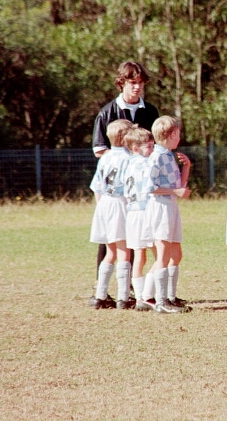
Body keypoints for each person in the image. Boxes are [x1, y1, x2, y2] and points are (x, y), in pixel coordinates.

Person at [90, 61, 159, 304]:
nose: (137, 87)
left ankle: (138, 290)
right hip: (116, 194)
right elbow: (100, 150)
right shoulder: (107, 112)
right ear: (121, 83)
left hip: (139, 192)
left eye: (140, 83)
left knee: (137, 241)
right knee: (110, 243)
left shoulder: (150, 111)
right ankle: (102, 290)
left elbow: (156, 146)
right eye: (132, 83)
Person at [144, 115, 192, 314]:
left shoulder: (168, 155)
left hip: (171, 207)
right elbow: (150, 187)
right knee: (163, 255)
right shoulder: (157, 156)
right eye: (178, 133)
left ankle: (168, 297)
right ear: (171, 134)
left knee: (176, 254)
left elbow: (179, 186)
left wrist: (186, 167)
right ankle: (160, 301)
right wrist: (175, 192)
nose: (179, 137)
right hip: (161, 208)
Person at [89, 119, 134, 309]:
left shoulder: (105, 157)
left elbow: (97, 187)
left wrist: (102, 208)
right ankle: (124, 297)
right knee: (124, 250)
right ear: (124, 137)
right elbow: (131, 188)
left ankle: (100, 296)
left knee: (111, 251)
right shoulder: (130, 158)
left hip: (104, 204)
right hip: (120, 203)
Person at [122, 126, 157, 311]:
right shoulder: (145, 163)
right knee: (160, 255)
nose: (152, 150)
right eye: (149, 147)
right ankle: (147, 295)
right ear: (135, 148)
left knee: (139, 256)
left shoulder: (127, 164)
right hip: (145, 211)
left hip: (132, 213)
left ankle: (139, 298)